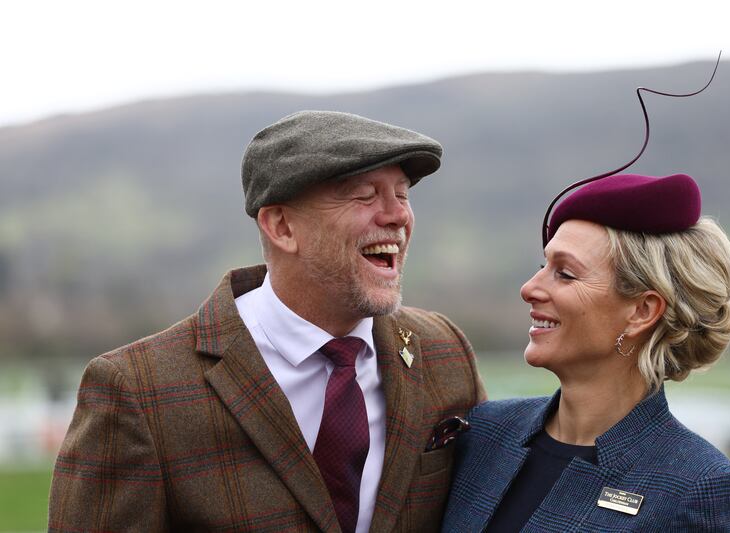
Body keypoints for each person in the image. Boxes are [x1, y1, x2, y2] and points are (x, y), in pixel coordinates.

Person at [49, 110, 486, 532]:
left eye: (402, 193)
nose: (397, 216)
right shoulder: (137, 391)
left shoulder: (445, 351)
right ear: (281, 226)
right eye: (365, 195)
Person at [442, 173, 730, 532]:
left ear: (642, 311)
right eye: (541, 267)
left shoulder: (701, 490)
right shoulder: (484, 433)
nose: (529, 288)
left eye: (564, 274)